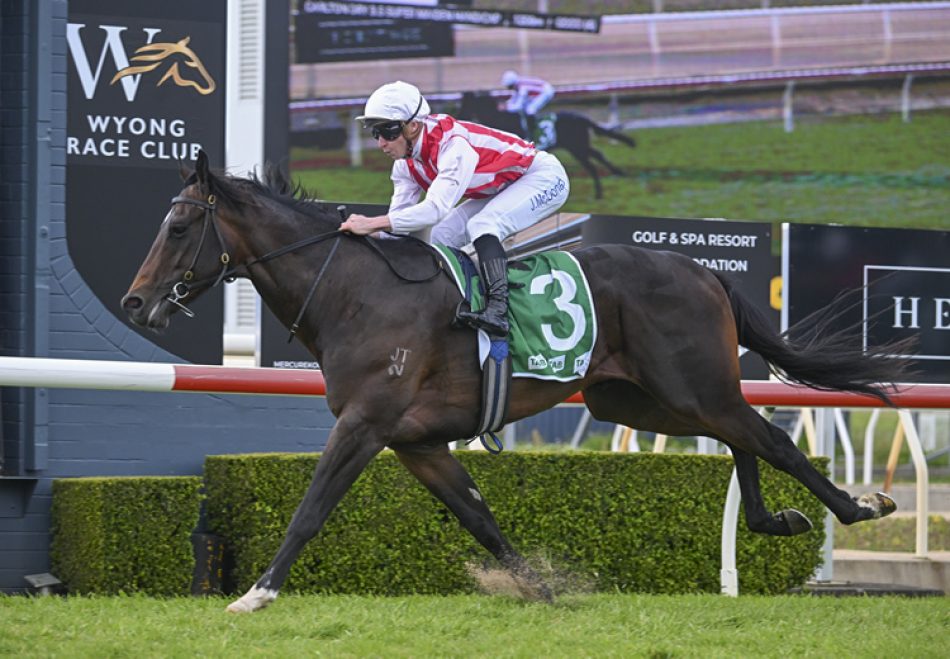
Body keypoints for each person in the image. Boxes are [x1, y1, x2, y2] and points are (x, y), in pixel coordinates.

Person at [339, 81, 570, 338]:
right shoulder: (405, 165)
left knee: (482, 225)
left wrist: (371, 223)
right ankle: (454, 303)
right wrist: (362, 232)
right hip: (503, 185)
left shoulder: (453, 146)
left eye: (387, 132)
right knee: (440, 235)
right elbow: (398, 226)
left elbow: (434, 209)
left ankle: (498, 311)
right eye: (375, 133)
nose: (381, 143)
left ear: (412, 126)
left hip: (542, 177)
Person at [500, 70, 555, 140]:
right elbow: (514, 98)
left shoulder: (522, 88)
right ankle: (530, 129)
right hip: (542, 89)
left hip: (546, 92)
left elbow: (518, 106)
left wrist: (506, 108)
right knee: (527, 108)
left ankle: (533, 131)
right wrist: (507, 104)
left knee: (530, 109)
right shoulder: (518, 84)